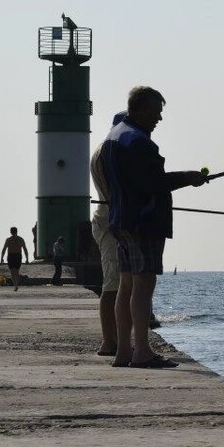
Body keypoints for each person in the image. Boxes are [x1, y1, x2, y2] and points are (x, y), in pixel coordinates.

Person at [102, 86, 206, 369]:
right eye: (157, 113)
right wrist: (189, 177)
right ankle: (143, 352)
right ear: (143, 110)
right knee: (144, 285)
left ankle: (125, 352)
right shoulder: (139, 142)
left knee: (126, 285)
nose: (159, 119)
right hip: (142, 223)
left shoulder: (113, 137)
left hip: (120, 220)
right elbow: (153, 184)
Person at [90, 112, 127, 356]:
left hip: (109, 220)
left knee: (120, 284)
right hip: (110, 223)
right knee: (112, 285)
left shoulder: (103, 150)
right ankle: (108, 342)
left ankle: (116, 340)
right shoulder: (108, 152)